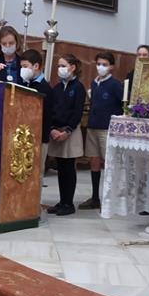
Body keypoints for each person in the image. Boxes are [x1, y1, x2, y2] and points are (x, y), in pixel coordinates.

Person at [80, 52, 123, 210]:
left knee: (110, 162)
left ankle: (111, 197)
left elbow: (123, 104)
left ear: (111, 67)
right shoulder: (94, 82)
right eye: (98, 64)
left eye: (104, 64)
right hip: (93, 126)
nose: (101, 67)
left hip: (107, 128)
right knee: (94, 161)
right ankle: (95, 197)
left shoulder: (115, 84)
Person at [46, 54, 86, 216]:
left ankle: (68, 203)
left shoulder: (78, 87)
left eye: (63, 66)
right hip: (56, 131)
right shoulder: (56, 88)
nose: (60, 69)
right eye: (58, 66)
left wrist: (67, 130)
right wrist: (52, 129)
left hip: (70, 131)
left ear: (72, 67)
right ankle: (62, 201)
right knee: (60, 168)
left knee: (69, 167)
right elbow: (50, 109)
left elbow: (77, 112)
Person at [20, 49, 53, 180]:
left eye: (25, 66)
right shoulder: (24, 84)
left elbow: (46, 115)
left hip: (39, 138)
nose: (22, 70)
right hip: (23, 136)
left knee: (36, 174)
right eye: (21, 67)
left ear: (36, 66)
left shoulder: (45, 88)